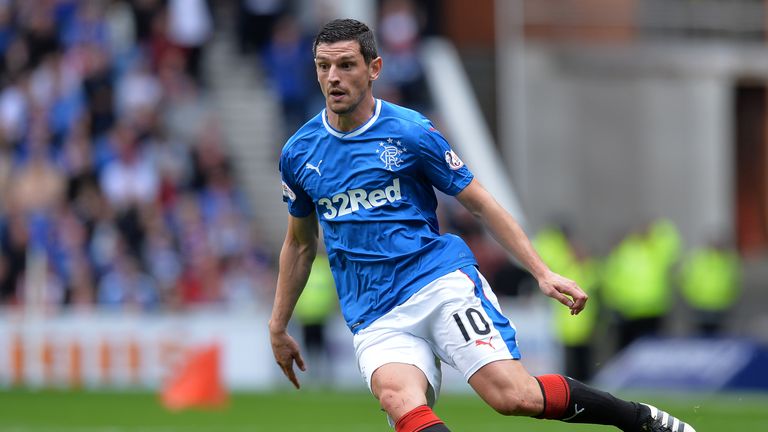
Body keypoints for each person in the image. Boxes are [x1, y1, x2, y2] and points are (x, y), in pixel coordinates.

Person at [269, 18, 695, 432]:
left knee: (512, 397)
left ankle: (639, 420)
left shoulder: (410, 132)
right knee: (398, 399)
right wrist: (279, 323)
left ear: (374, 68)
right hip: (373, 312)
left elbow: (481, 204)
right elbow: (301, 243)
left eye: (346, 64)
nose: (333, 77)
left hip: (435, 283)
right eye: (324, 66)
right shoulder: (300, 153)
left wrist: (541, 271)